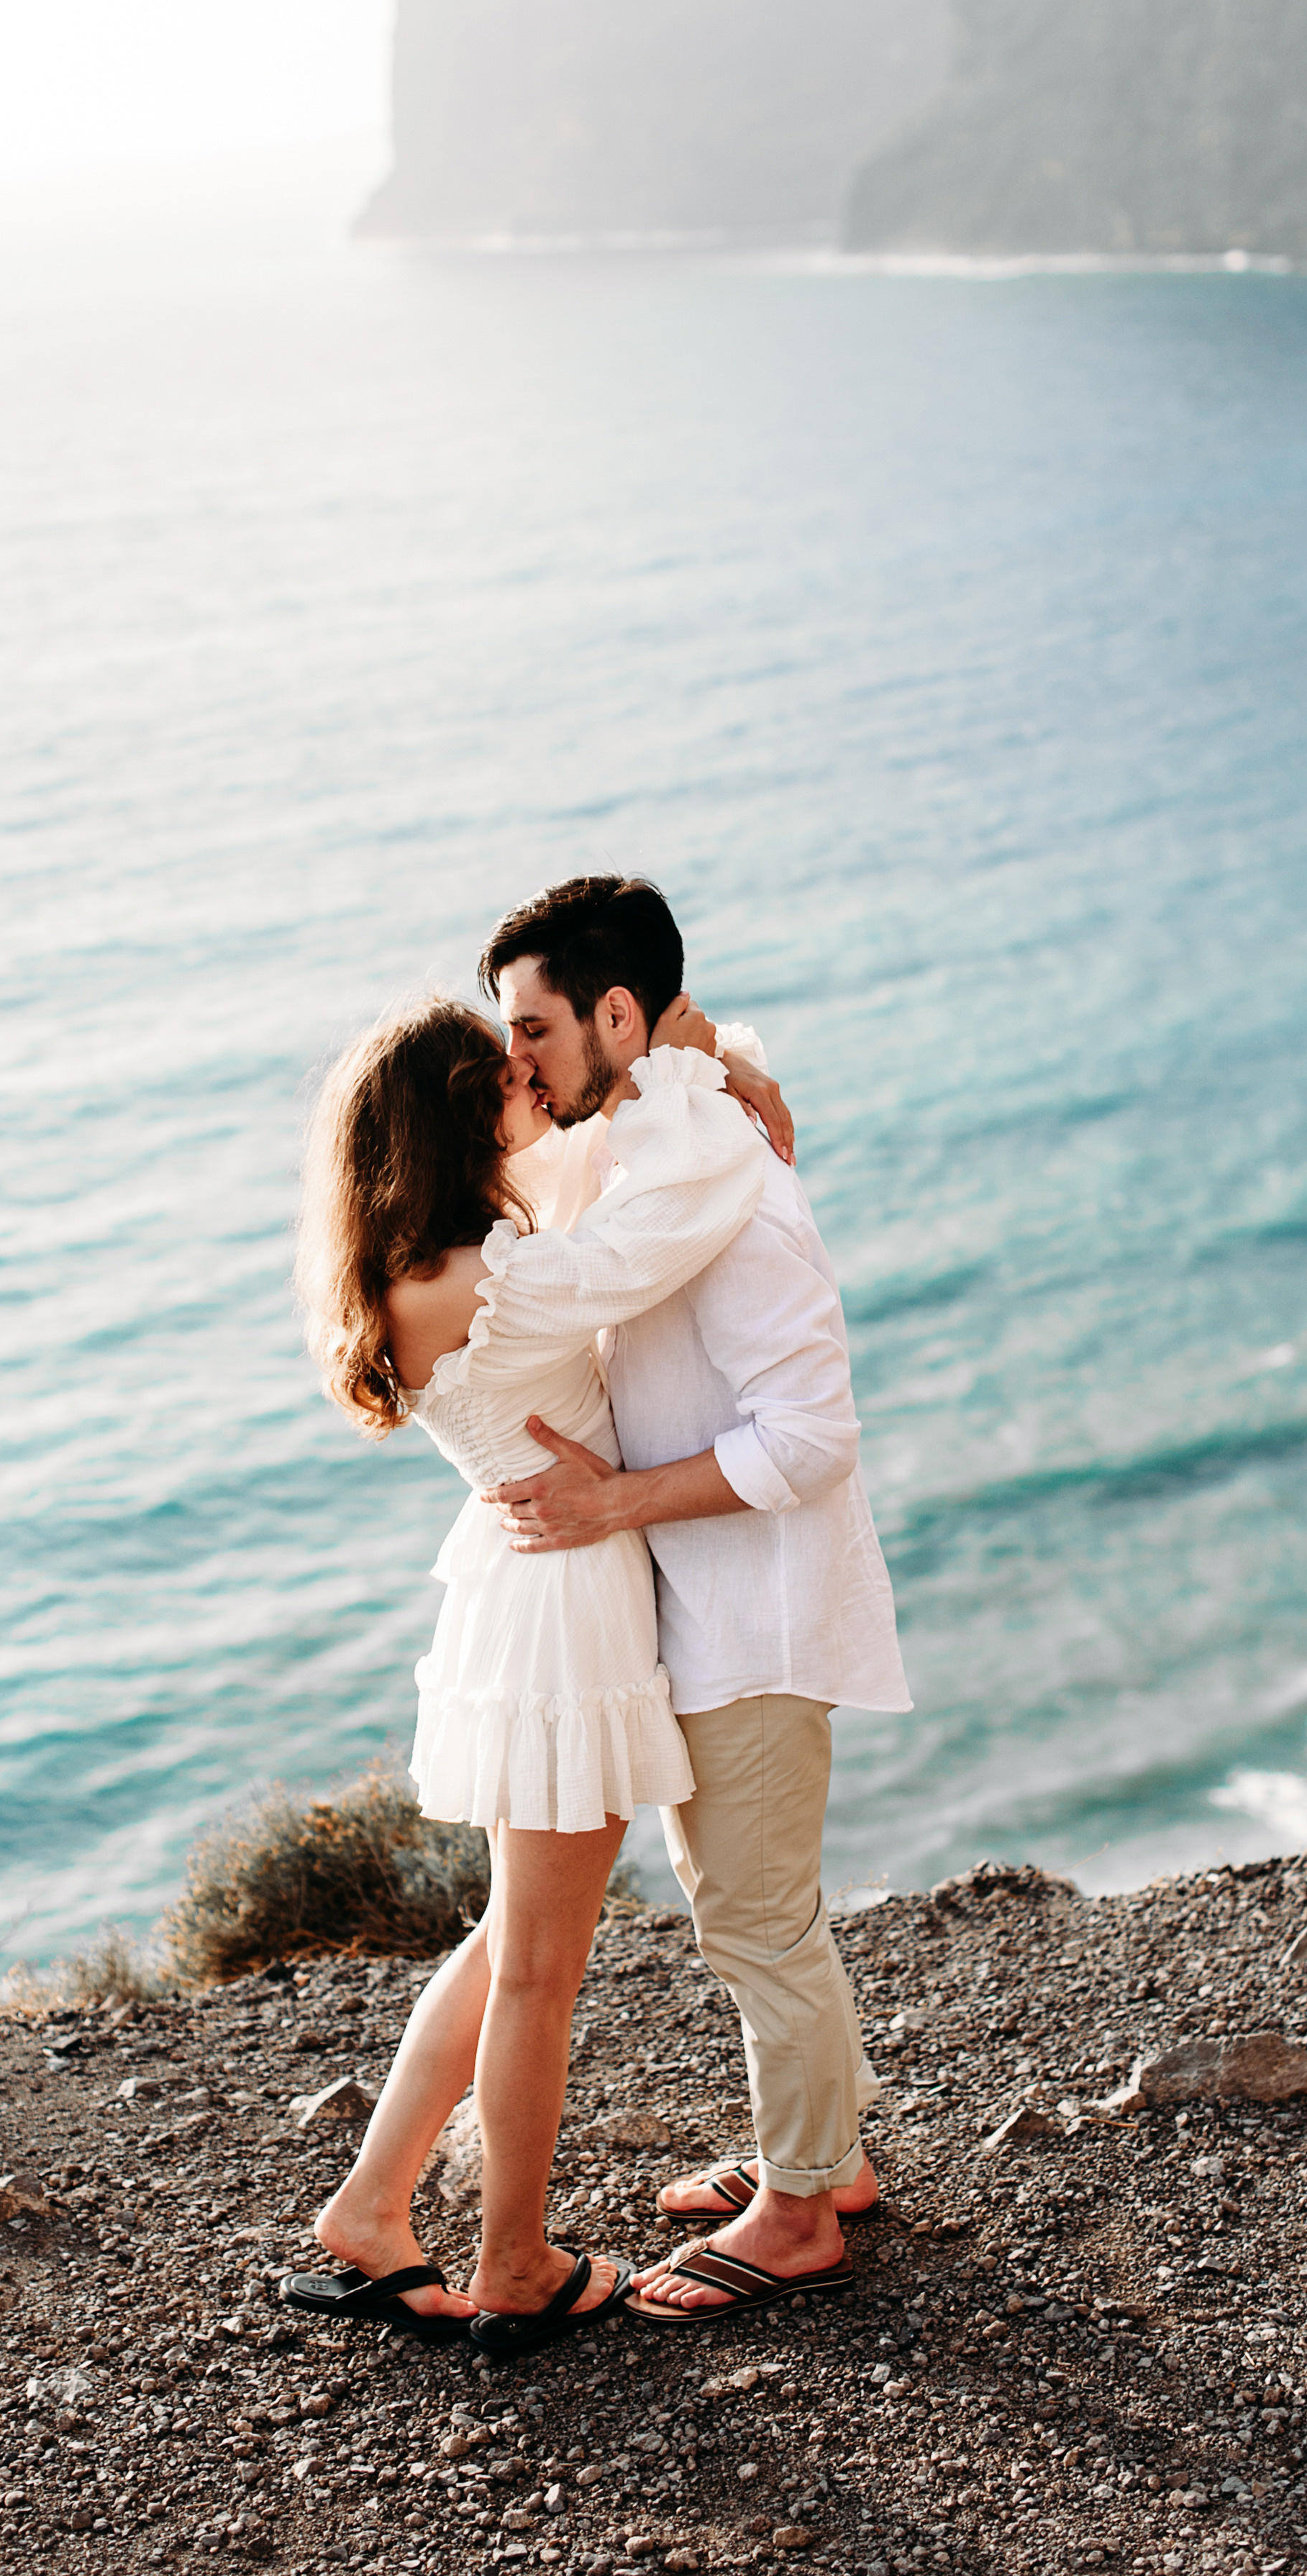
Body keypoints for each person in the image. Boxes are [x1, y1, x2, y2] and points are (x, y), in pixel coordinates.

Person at [284, 985, 775, 2359]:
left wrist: (712, 1057)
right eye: (507, 1070)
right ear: (462, 1115)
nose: (531, 1078)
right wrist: (716, 1085)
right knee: (541, 1968)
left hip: (527, 1593)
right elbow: (675, 1216)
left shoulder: (426, 1259)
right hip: (562, 1609)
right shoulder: (500, 1280)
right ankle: (514, 2260)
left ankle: (374, 2212)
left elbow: (589, 1151)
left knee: (511, 1941)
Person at [479, 875, 912, 2328]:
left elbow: (810, 1436)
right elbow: (697, 1048)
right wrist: (722, 1052)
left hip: (757, 1614)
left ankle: (799, 2209)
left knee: (753, 1922)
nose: (515, 1062)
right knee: (746, 1905)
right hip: (702, 1602)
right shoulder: (663, 1126)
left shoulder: (717, 1172)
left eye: (531, 1028)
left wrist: (611, 1502)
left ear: (610, 1014)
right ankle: (818, 2154)